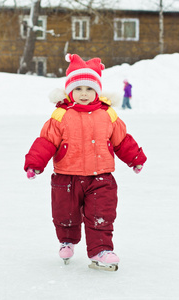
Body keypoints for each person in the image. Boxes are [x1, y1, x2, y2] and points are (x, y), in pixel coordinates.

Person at [24, 53, 147, 270]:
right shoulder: (61, 115)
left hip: (101, 176)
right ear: (69, 91)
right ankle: (67, 241)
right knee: (65, 214)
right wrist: (35, 163)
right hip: (66, 176)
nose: (83, 94)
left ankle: (101, 250)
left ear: (97, 91)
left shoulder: (107, 114)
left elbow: (121, 140)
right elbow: (46, 142)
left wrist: (135, 158)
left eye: (89, 89)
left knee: (102, 214)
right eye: (78, 89)